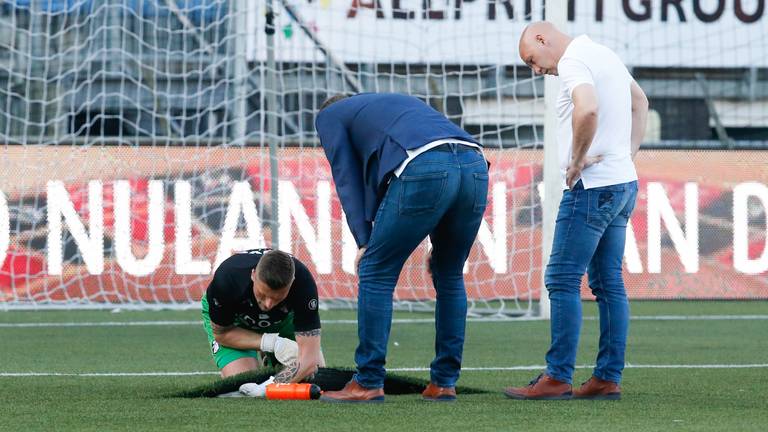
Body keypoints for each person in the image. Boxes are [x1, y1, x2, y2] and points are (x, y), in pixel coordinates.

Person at [504, 22, 648, 400]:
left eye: (532, 60)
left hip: (593, 187)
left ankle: (557, 377)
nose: (537, 71)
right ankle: (606, 378)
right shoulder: (605, 54)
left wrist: (576, 162)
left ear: (541, 38)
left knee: (562, 279)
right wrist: (627, 157)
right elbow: (641, 102)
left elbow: (587, 110)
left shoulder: (572, 61)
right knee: (608, 285)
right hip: (622, 184)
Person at [315, 93, 489, 403]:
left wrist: (364, 240)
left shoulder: (330, 115)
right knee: (448, 273)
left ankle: (368, 381)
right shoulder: (388, 104)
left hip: (425, 163)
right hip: (475, 162)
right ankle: (444, 382)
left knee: (375, 270)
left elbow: (347, 178)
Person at [201, 248, 324, 383]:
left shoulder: (304, 284)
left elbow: (309, 361)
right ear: (253, 275)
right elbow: (222, 334)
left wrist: (268, 387)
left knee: (314, 376)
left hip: (283, 320)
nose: (268, 304)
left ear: (292, 282)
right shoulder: (228, 278)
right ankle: (266, 352)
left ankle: (270, 359)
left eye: (277, 298)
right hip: (236, 325)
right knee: (244, 382)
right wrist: (273, 343)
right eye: (262, 294)